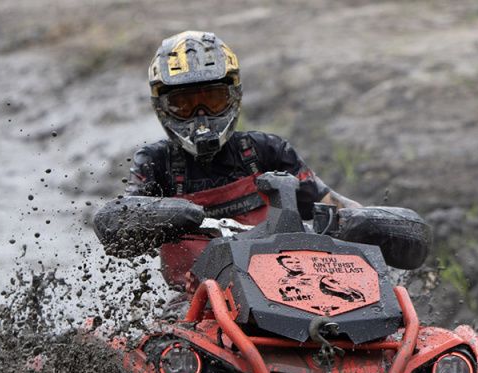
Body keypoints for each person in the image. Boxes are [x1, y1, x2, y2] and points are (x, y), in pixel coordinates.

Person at [126, 30, 360, 289]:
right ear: (162, 106)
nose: (200, 116)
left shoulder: (268, 151)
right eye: (184, 105)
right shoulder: (156, 162)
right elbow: (124, 224)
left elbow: (335, 206)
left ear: (233, 95)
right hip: (196, 303)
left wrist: (370, 220)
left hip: (290, 289)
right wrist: (158, 218)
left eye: (212, 101)